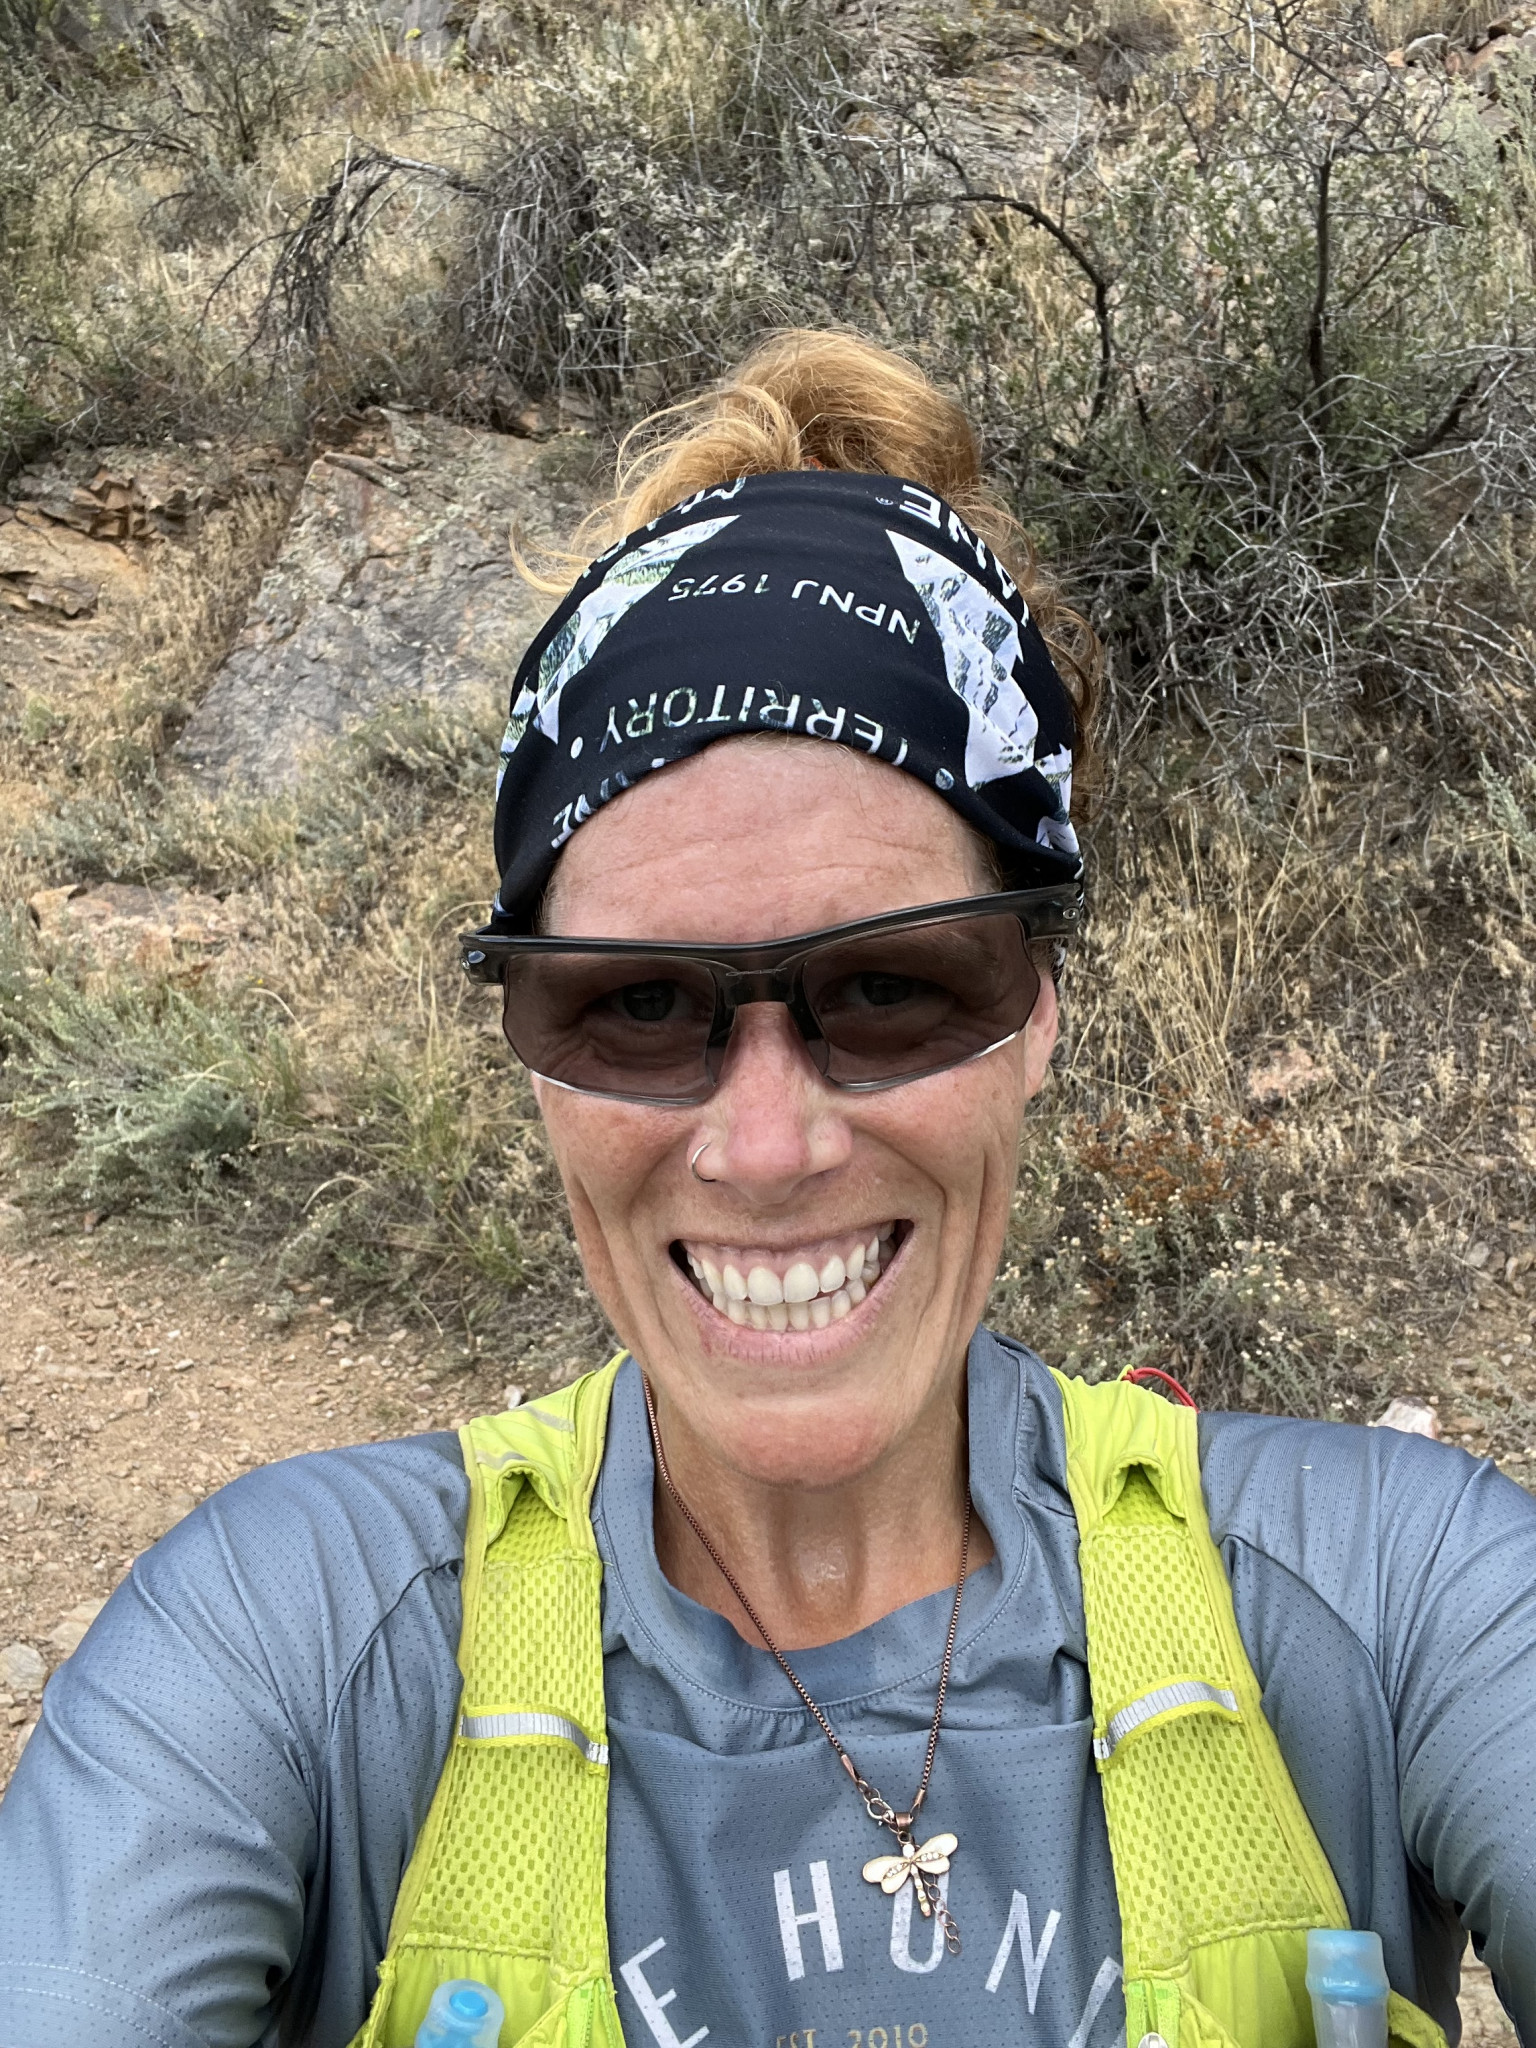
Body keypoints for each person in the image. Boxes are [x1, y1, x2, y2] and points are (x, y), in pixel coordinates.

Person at [0, 330, 1532, 2048]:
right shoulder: (286, 1638)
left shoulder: (1403, 1599)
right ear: (533, 1051)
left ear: (1037, 1010)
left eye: (888, 988)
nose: (767, 1146)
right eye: (638, 1007)